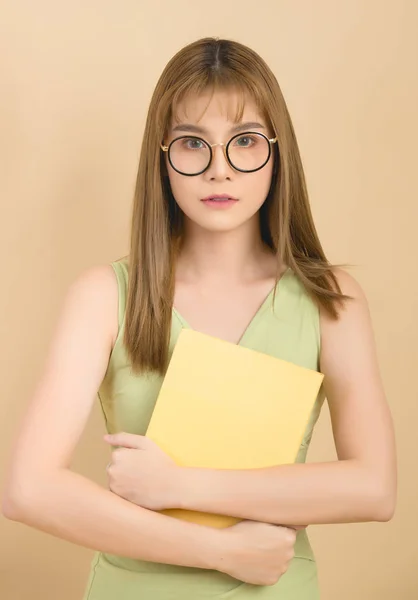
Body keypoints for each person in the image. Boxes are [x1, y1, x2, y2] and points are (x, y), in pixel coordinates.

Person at [2, 37, 397, 600]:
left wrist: (181, 485)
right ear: (161, 156)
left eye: (245, 142)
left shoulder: (332, 300)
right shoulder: (104, 295)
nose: (220, 170)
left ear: (276, 152)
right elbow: (27, 489)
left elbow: (374, 489)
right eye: (192, 143)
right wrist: (221, 551)